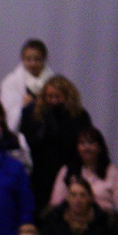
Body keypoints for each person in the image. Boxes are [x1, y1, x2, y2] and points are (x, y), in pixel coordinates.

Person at [19, 76, 93, 211]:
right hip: (39, 173)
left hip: (67, 171)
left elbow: (78, 144)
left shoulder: (79, 116)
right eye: (50, 96)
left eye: (58, 97)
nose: (53, 101)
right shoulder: (33, 114)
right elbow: (27, 143)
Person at [48, 127, 118, 217]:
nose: (86, 148)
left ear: (100, 147)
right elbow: (56, 203)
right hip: (72, 221)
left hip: (102, 221)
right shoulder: (67, 171)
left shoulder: (112, 172)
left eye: (90, 142)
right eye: (82, 143)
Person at [38, 175, 118, 235]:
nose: (78, 200)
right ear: (67, 198)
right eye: (73, 195)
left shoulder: (104, 222)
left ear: (91, 198)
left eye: (82, 195)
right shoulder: (54, 220)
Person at [0, 39, 53, 132]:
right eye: (28, 59)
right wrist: (23, 105)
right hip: (22, 130)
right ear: (22, 59)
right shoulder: (11, 81)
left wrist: (37, 103)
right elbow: (6, 109)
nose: (33, 64)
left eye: (37, 59)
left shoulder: (53, 82)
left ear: (44, 59)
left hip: (47, 130)